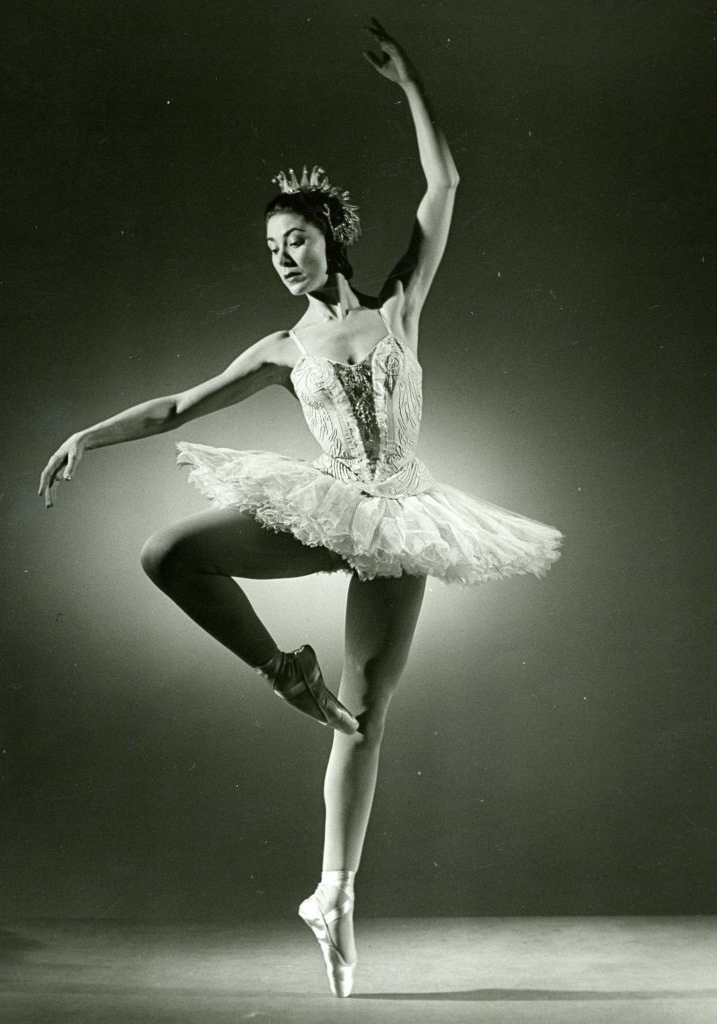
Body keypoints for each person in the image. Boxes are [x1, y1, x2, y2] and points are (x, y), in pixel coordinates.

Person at [38, 18, 563, 998]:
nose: (286, 257)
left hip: (404, 514)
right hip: (325, 505)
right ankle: (280, 666)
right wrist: (86, 437)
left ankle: (333, 896)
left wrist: (409, 80)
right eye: (274, 247)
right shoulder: (281, 349)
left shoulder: (399, 305)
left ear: (332, 238)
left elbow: (443, 189)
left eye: (299, 239)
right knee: (169, 552)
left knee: (363, 718)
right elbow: (178, 405)